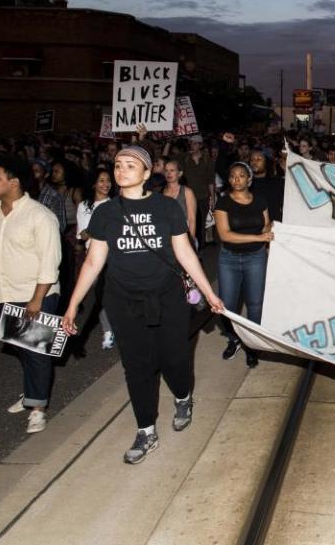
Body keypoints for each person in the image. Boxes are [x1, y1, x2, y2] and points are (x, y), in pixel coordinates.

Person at [62, 145, 224, 465]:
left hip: (167, 298)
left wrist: (210, 293)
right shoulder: (105, 212)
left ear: (148, 173)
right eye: (118, 165)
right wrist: (72, 305)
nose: (121, 171)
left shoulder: (166, 208)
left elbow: (185, 253)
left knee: (174, 359)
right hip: (123, 301)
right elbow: (94, 261)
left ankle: (183, 396)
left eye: (130, 166)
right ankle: (146, 430)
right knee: (137, 367)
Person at [0, 154, 62, 434]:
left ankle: (37, 408)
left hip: (37, 294)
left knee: (36, 351)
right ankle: (31, 392)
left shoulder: (39, 215)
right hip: (3, 292)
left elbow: (50, 262)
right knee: (18, 347)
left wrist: (37, 299)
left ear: (14, 182)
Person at [214, 162, 273, 368]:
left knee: (255, 305)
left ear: (249, 179)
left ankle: (251, 346)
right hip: (229, 258)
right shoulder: (223, 203)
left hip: (256, 258)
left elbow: (266, 223)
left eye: (241, 176)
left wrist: (269, 230)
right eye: (232, 176)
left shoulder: (260, 200)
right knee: (227, 306)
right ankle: (234, 338)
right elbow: (225, 235)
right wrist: (259, 238)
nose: (236, 179)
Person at [76, 168, 117, 349]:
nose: (105, 184)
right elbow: (83, 235)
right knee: (101, 296)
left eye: (108, 180)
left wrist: (94, 229)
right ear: (94, 183)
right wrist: (97, 225)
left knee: (118, 294)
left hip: (114, 255)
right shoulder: (84, 206)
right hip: (93, 257)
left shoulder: (115, 204)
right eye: (101, 180)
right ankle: (108, 331)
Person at [162, 158, 198, 243]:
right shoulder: (161, 192)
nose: (168, 173)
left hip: (184, 234)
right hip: (166, 234)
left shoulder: (187, 192)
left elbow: (192, 219)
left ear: (180, 173)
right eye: (166, 170)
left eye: (172, 170)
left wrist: (191, 240)